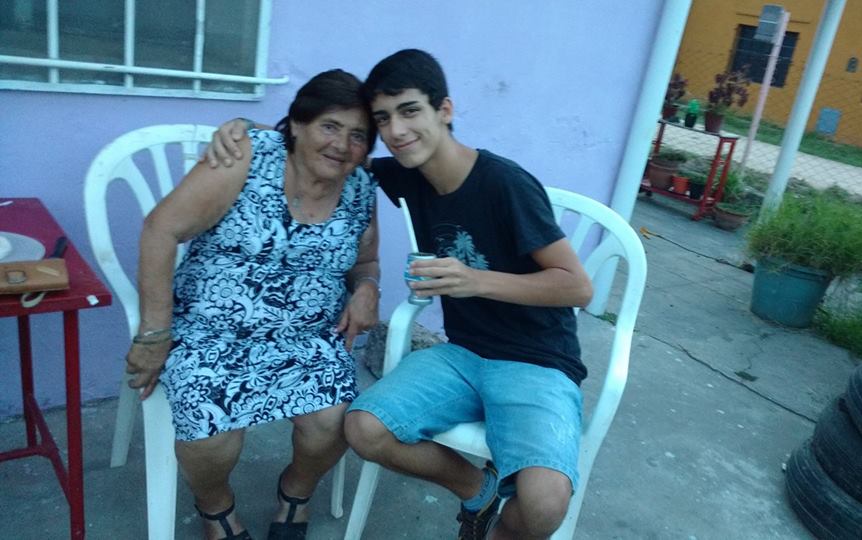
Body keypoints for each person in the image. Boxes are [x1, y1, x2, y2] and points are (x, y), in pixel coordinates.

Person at [207, 49, 594, 540]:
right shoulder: (407, 175)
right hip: (463, 354)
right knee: (363, 428)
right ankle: (479, 492)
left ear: (444, 110)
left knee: (542, 507)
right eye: (383, 119)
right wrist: (243, 126)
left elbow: (577, 286)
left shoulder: (504, 183)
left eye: (410, 111)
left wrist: (475, 280)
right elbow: (323, 148)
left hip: (537, 362)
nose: (396, 130)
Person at [125, 69, 380, 540]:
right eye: (329, 126)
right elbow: (161, 229)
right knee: (210, 431)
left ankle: (296, 493)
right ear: (297, 124)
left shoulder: (361, 188)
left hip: (307, 337)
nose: (342, 145)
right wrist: (154, 333)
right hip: (210, 332)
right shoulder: (247, 155)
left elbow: (365, 261)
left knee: (337, 418)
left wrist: (367, 288)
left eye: (358, 135)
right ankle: (216, 509)